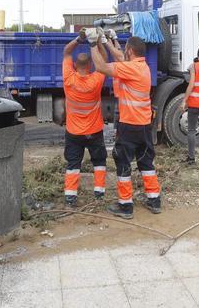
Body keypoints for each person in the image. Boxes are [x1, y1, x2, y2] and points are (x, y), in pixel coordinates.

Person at [89, 28, 160, 219]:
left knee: (122, 161)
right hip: (144, 124)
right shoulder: (142, 67)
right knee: (146, 161)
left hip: (129, 125)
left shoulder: (130, 68)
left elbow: (101, 67)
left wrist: (92, 44)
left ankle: (125, 205)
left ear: (130, 51)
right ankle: (154, 200)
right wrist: (110, 41)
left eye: (125, 48)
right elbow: (121, 57)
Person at [61, 34, 107, 207]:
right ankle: (99, 194)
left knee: (73, 163)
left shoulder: (68, 78)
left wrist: (79, 39)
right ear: (90, 66)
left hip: (74, 132)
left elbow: (66, 52)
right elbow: (104, 59)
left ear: (74, 65)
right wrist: (97, 41)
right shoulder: (96, 79)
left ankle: (70, 197)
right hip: (94, 131)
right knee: (99, 161)